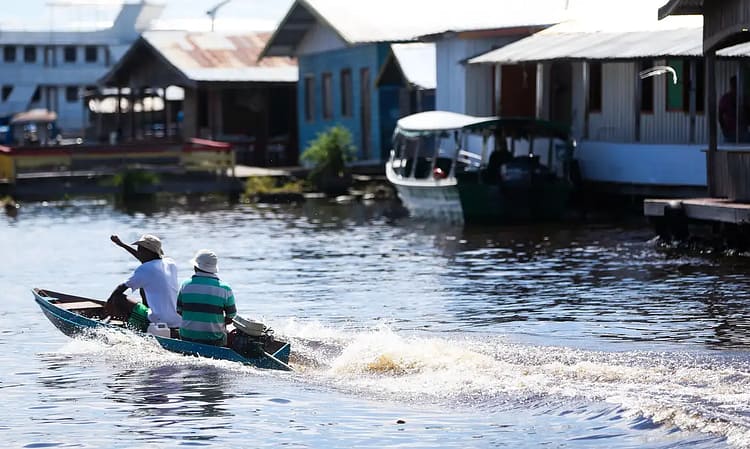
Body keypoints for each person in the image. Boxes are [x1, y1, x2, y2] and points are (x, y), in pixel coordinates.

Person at [109, 234, 182, 329]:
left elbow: (120, 289)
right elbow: (146, 259)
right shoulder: (170, 263)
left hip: (157, 319)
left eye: (139, 249)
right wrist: (122, 245)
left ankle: (131, 328)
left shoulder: (145, 268)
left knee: (118, 298)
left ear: (147, 252)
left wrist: (108, 304)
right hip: (176, 320)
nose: (138, 252)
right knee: (144, 287)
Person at [176, 249, 237, 346]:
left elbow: (179, 310)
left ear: (195, 266)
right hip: (215, 340)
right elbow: (232, 316)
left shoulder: (185, 285)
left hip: (187, 337)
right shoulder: (225, 289)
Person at [719, 76, 750, 143]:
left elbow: (720, 115)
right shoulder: (726, 98)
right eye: (734, 85)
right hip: (731, 133)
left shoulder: (744, 98)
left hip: (742, 132)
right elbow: (720, 115)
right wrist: (724, 130)